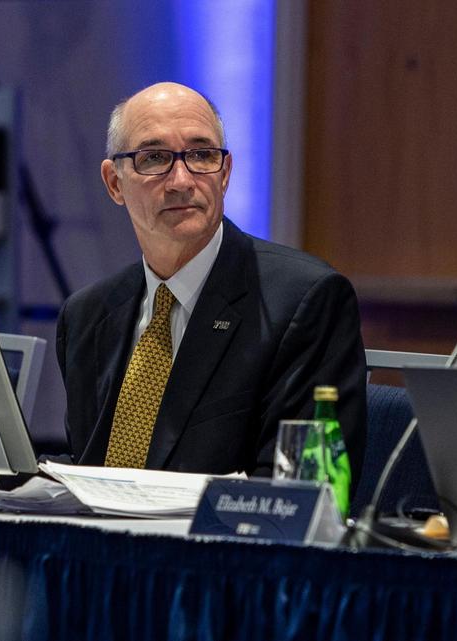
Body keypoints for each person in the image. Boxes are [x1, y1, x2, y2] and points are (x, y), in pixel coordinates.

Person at [56, 82, 367, 484]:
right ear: (115, 183)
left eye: (202, 155)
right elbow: (87, 466)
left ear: (225, 173)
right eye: (154, 158)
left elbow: (299, 491)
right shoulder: (86, 316)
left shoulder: (305, 301)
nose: (182, 180)